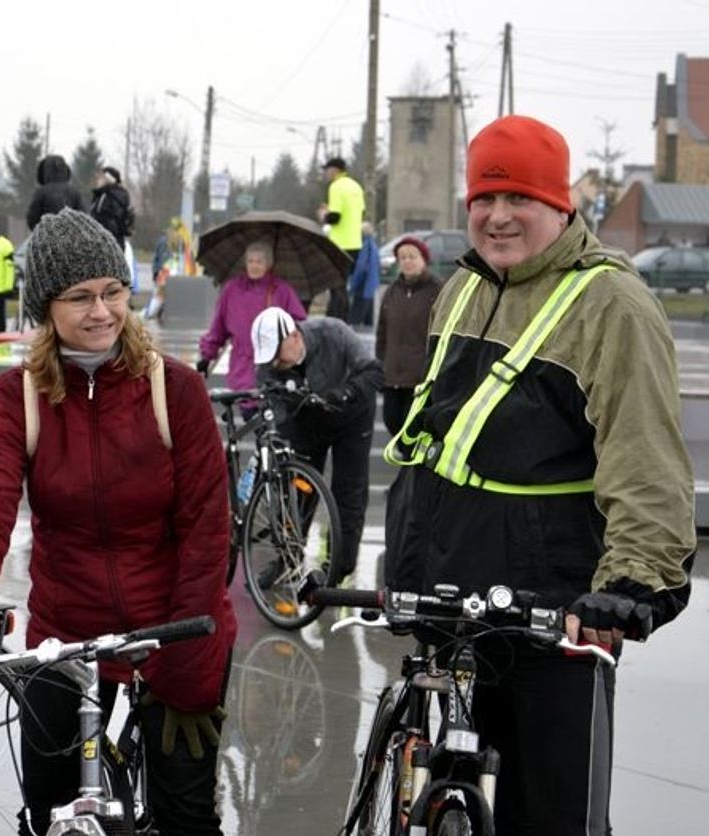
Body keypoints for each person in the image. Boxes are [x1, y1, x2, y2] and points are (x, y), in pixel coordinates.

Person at [384, 115, 696, 835]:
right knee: (447, 789)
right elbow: (439, 440)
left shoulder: (612, 305)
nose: (497, 217)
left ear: (561, 204)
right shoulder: (463, 287)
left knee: (555, 815)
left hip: (556, 613)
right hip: (454, 597)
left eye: (518, 199)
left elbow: (645, 459)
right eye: (483, 200)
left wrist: (629, 586)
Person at [0, 208, 236, 836]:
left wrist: (186, 673)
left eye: (113, 292)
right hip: (66, 632)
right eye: (80, 297)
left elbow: (206, 533)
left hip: (177, 624)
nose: (102, 311)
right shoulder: (21, 395)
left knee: (184, 813)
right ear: (45, 310)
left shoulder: (178, 391)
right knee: (50, 809)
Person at [250, 306, 382, 587]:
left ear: (294, 337)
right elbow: (273, 409)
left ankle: (338, 566)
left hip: (352, 416)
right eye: (269, 359)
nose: (274, 364)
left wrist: (345, 393)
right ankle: (288, 559)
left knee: (349, 491)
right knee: (298, 491)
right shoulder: (270, 367)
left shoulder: (334, 332)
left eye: (277, 355)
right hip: (307, 420)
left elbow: (373, 372)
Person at [196, 241, 306, 392]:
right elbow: (218, 327)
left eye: (259, 261)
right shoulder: (232, 289)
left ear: (268, 264)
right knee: (245, 404)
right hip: (240, 363)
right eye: (250, 261)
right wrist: (207, 356)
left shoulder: (281, 290)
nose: (254, 266)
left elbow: (298, 325)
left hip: (272, 364)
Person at [374, 235, 442, 435]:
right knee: (392, 421)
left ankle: (411, 465)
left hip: (421, 376)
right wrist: (381, 363)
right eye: (402, 258)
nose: (407, 261)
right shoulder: (392, 292)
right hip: (393, 374)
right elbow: (382, 331)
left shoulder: (437, 290)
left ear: (424, 259)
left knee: (413, 429)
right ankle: (408, 462)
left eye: (412, 256)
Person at [319, 157, 365, 320]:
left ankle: (339, 320)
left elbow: (335, 218)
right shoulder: (356, 187)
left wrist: (324, 215)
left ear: (335, 170)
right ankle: (336, 318)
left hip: (339, 244)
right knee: (341, 285)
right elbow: (359, 213)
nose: (325, 173)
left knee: (336, 287)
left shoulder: (336, 187)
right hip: (355, 244)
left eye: (327, 170)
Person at [26, 154, 84, 230]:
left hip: (47, 236)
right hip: (70, 237)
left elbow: (32, 219)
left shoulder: (41, 192)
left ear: (45, 171)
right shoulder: (74, 192)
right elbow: (83, 217)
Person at [88, 165, 134, 249]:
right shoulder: (107, 195)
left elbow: (106, 221)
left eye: (101, 177)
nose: (98, 180)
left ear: (108, 179)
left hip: (106, 244)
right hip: (115, 243)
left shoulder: (108, 197)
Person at [347, 221, 380, 327]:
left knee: (354, 321)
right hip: (371, 287)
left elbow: (361, 267)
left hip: (363, 287)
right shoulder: (373, 245)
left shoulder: (365, 246)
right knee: (368, 323)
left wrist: (352, 286)